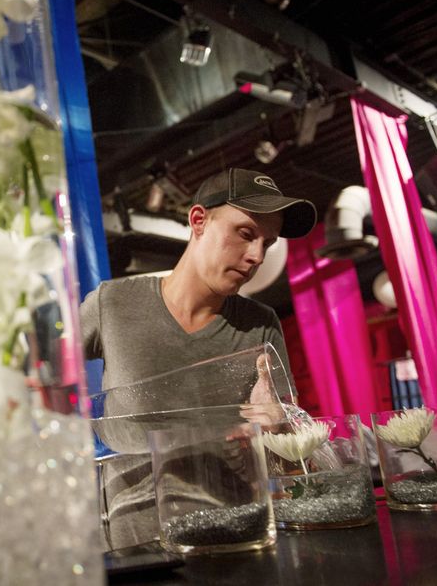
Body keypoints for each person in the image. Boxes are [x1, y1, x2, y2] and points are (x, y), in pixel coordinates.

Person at [81, 167, 317, 550]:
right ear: (198, 220)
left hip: (235, 540)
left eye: (267, 243)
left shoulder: (260, 324)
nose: (256, 255)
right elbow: (41, 374)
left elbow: (294, 462)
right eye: (245, 233)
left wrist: (277, 428)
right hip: (135, 550)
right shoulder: (114, 304)